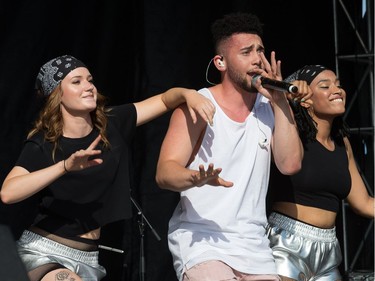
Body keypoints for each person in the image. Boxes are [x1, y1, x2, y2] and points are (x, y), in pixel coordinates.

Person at [0, 54, 216, 281]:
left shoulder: (112, 124)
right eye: (77, 82)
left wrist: (188, 94)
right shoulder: (45, 143)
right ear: (57, 95)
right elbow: (8, 192)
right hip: (45, 253)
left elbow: (164, 100)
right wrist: (65, 166)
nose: (88, 87)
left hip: (90, 259)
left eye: (90, 80)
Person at [155, 12, 310, 281]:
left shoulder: (271, 107)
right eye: (246, 52)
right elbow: (164, 173)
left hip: (253, 246)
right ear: (221, 62)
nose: (257, 60)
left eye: (260, 51)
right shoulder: (197, 106)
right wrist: (197, 177)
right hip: (201, 240)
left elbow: (290, 164)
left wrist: (280, 102)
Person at [266, 65, 375, 281]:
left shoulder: (342, 144)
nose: (337, 90)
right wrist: (288, 94)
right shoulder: (290, 129)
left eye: (338, 85)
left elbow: (363, 203)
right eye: (325, 86)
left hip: (328, 251)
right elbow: (268, 101)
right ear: (306, 99)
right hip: (287, 244)